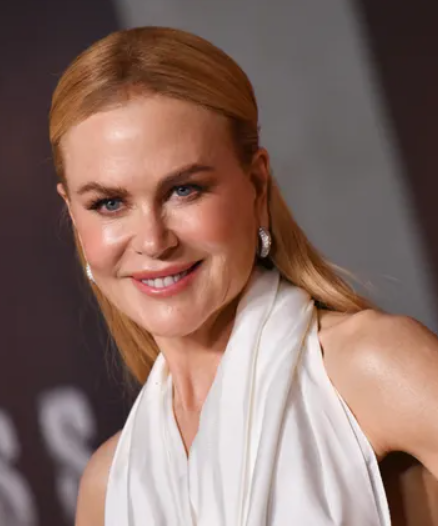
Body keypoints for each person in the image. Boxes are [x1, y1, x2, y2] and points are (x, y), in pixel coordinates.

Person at [48, 26, 438, 526]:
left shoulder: (371, 367)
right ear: (73, 215)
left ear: (255, 183)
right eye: (109, 203)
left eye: (184, 190)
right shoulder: (107, 489)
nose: (153, 240)